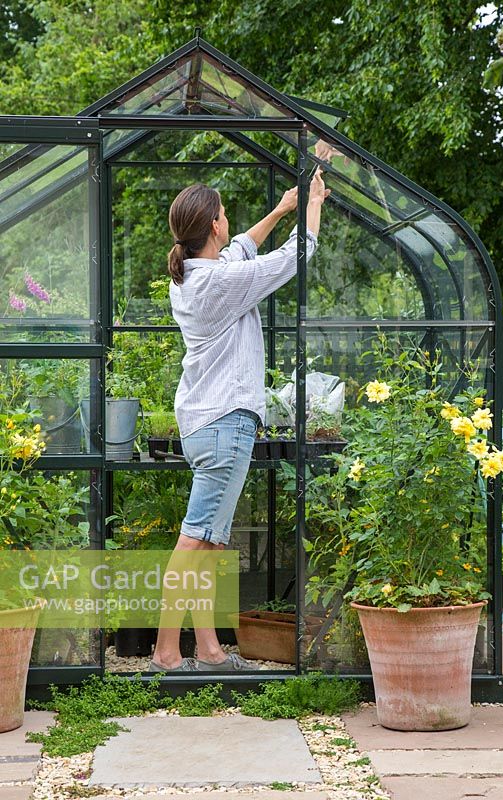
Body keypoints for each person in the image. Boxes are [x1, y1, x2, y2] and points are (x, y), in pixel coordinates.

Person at [150, 170, 330, 672]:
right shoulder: (217, 282)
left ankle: (208, 651)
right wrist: (313, 207)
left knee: (207, 543)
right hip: (226, 422)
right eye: (225, 213)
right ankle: (166, 651)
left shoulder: (193, 273)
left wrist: (281, 209)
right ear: (212, 223)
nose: (230, 221)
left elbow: (242, 251)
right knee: (195, 541)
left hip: (207, 423)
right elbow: (293, 258)